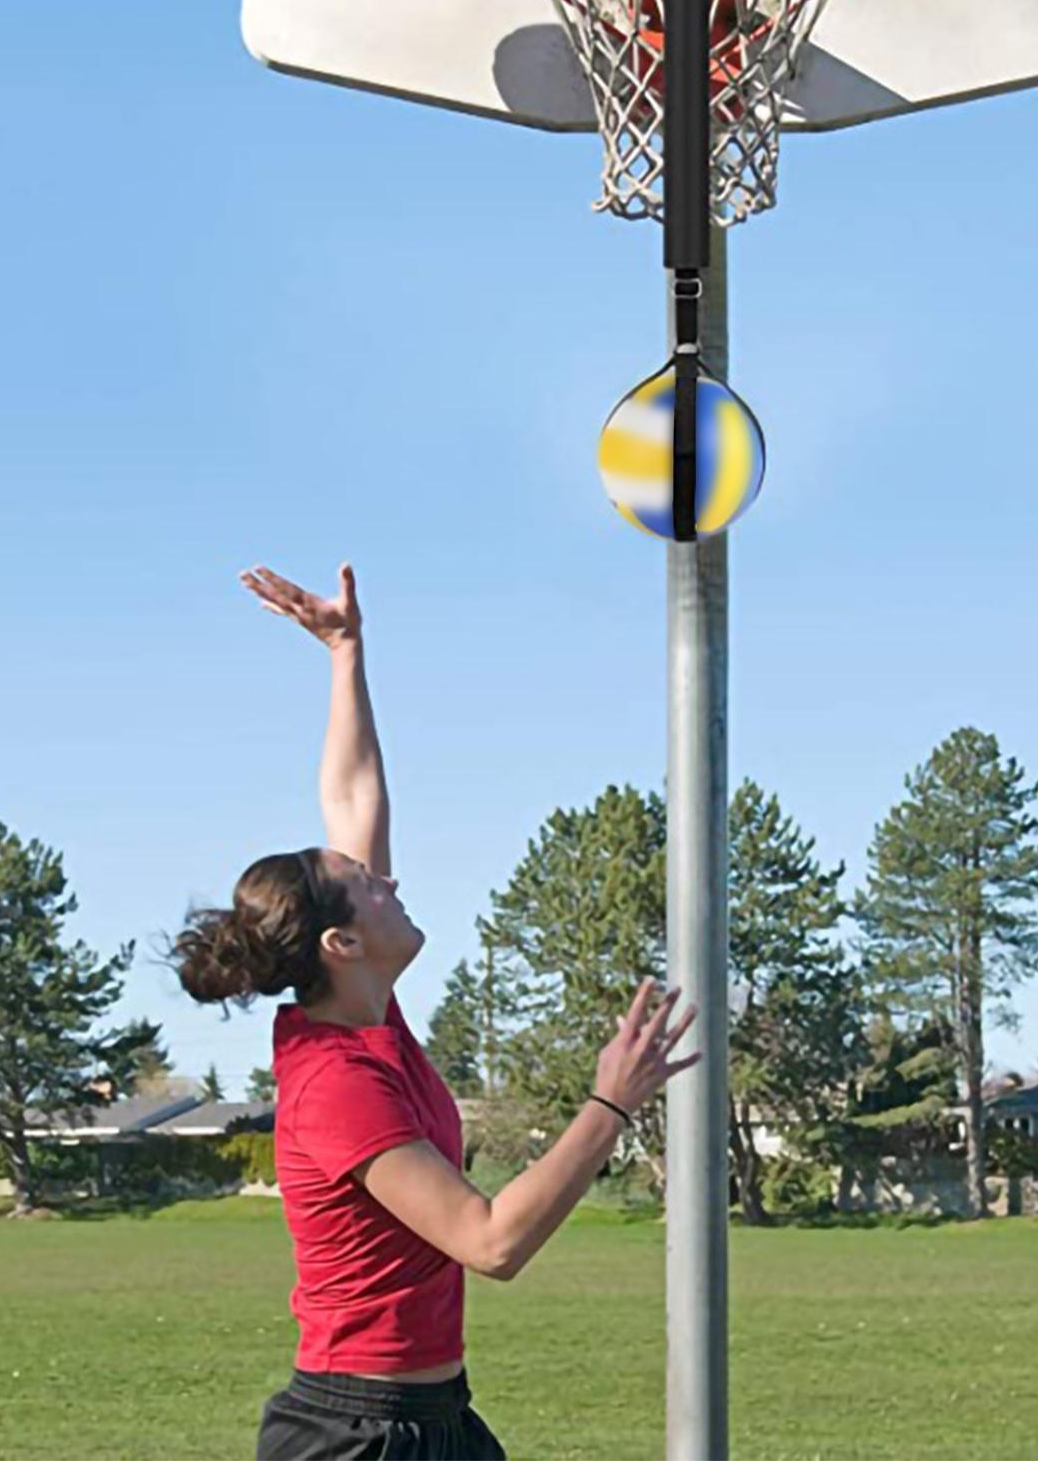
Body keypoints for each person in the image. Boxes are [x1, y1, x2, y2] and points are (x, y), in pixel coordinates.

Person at [171, 562, 700, 1461]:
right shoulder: (336, 1085)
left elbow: (354, 800)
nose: (388, 878)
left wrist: (345, 653)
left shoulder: (370, 1021)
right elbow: (490, 1241)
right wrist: (609, 1105)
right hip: (357, 1435)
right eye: (366, 886)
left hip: (435, 1420)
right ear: (341, 943)